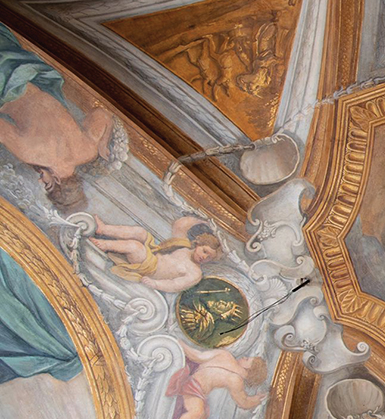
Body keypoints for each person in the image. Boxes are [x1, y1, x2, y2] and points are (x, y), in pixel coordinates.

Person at [0, 23, 122, 209]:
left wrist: (103, 143)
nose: (41, 181)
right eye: (47, 185)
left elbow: (102, 114)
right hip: (7, 84)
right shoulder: (30, 153)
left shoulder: (87, 151)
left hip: (33, 74)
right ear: (57, 181)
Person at [165, 341, 268, 419]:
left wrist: (257, 400)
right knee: (197, 411)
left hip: (198, 391)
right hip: (191, 384)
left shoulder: (236, 380)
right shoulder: (225, 356)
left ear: (250, 370)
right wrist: (179, 343)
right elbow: (197, 356)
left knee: (203, 414)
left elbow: (243, 402)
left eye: (247, 360)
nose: (244, 357)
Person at [91, 215, 222, 294]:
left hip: (150, 269)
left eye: (208, 257)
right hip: (153, 254)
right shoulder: (185, 247)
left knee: (135, 247)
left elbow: (176, 285)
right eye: (205, 251)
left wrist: (155, 284)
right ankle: (103, 229)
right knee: (141, 232)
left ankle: (104, 245)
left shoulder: (195, 273)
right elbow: (180, 226)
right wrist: (203, 221)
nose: (204, 257)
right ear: (198, 243)